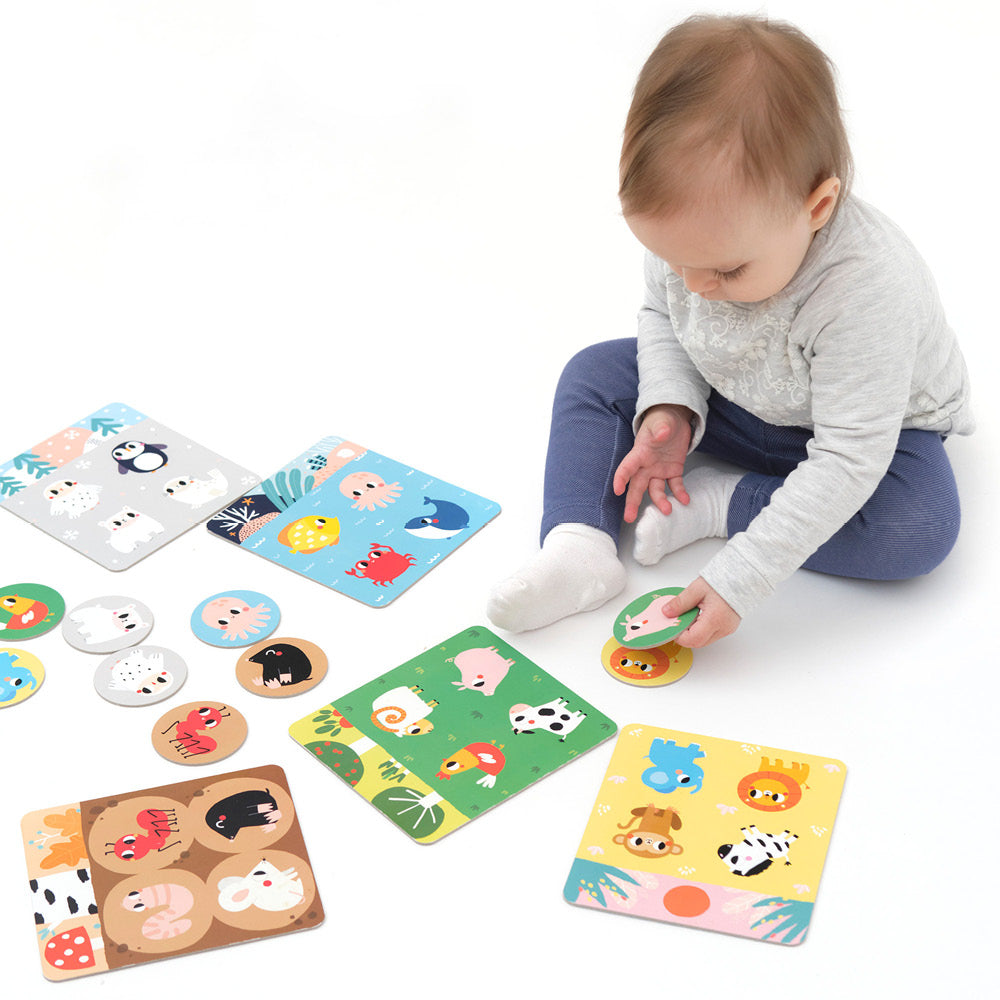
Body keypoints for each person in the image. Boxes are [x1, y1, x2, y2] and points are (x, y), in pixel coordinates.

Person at [487, 14, 973, 647]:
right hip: (739, 393)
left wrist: (742, 572)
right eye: (673, 259)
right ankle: (580, 546)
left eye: (724, 269)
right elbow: (663, 317)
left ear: (816, 207)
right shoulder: (699, 239)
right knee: (594, 372)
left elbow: (851, 457)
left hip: (870, 431)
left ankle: (720, 500)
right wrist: (670, 407)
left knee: (914, 531)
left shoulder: (867, 288)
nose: (693, 285)